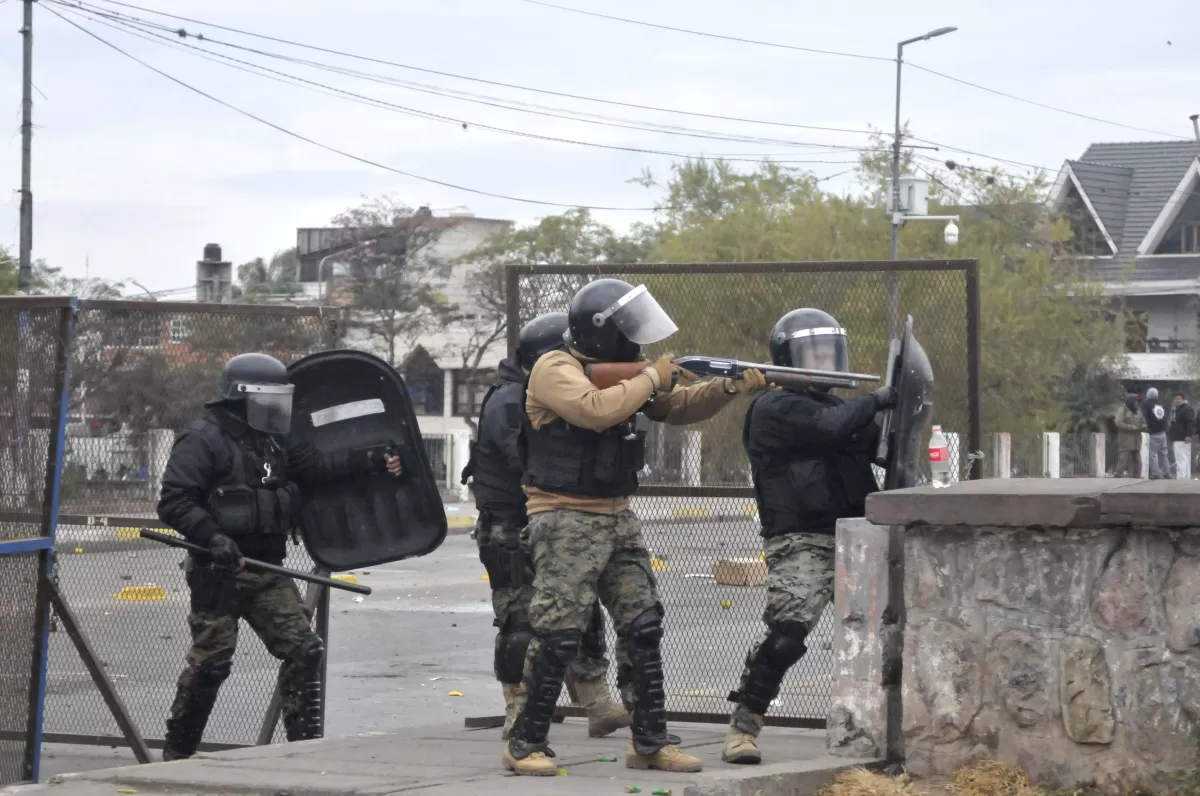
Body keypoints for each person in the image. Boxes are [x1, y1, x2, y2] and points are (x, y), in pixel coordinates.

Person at [503, 279, 768, 776]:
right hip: (564, 517)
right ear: (604, 331)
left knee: (642, 625)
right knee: (559, 632)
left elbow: (675, 407)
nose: (637, 341)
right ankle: (524, 744)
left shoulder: (627, 379)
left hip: (616, 515)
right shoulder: (553, 368)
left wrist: (728, 386)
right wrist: (652, 376)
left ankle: (649, 741)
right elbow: (594, 409)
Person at [156, 353, 404, 761]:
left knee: (305, 650)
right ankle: (176, 756)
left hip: (268, 570)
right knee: (212, 663)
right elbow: (174, 501)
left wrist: (373, 459)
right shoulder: (202, 439)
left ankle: (304, 753)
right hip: (218, 571)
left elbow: (319, 467)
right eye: (269, 399)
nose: (276, 409)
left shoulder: (273, 439)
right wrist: (213, 537)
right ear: (242, 397)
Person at [723, 309, 897, 765]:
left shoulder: (839, 406)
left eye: (829, 352)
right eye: (812, 353)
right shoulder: (774, 407)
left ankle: (887, 729)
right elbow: (829, 430)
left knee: (886, 633)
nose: (823, 360)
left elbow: (880, 448)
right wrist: (878, 399)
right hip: (801, 538)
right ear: (788, 357)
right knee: (788, 635)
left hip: (857, 534)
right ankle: (743, 727)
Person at [461, 311, 629, 741]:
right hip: (509, 527)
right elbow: (531, 462)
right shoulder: (508, 400)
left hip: (549, 525)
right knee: (519, 620)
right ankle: (517, 707)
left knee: (579, 612)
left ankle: (595, 702)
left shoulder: (540, 391)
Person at [1114, 393, 1145, 477]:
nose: (1137, 403)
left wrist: (1143, 426)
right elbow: (1118, 422)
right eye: (1135, 401)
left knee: (1138, 461)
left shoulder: (1138, 410)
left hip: (1136, 439)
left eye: (1138, 402)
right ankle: (1118, 475)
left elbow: (1143, 421)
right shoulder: (1122, 410)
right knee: (1123, 459)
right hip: (1126, 439)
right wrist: (1130, 427)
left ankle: (1137, 476)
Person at [1143, 387, 1170, 479]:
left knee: (1152, 455)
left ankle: (1157, 474)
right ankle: (1168, 473)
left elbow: (1145, 418)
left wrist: (1147, 430)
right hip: (1163, 433)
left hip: (1153, 434)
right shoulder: (1159, 405)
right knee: (1164, 455)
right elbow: (1165, 419)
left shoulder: (1146, 404)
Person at [1171, 392, 1194, 480]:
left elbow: (1190, 422)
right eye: (1176, 398)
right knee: (1184, 458)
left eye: (1178, 398)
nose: (1176, 400)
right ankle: (1185, 478)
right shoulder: (1178, 409)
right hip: (1179, 437)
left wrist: (1188, 434)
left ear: (1183, 399)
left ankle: (1181, 478)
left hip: (1181, 437)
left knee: (1181, 459)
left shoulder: (1186, 409)